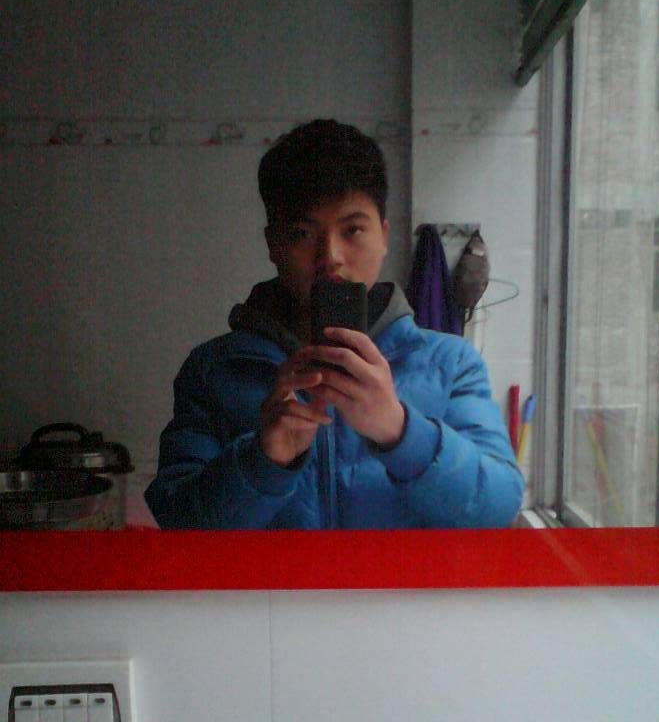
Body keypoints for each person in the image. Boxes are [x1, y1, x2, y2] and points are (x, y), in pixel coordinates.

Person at [145, 119, 522, 529]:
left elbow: (498, 508)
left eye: (353, 229)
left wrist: (400, 431)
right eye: (303, 233)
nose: (331, 257)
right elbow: (178, 523)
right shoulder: (215, 369)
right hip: (265, 577)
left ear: (383, 235)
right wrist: (263, 460)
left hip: (405, 577)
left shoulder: (451, 362)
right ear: (274, 244)